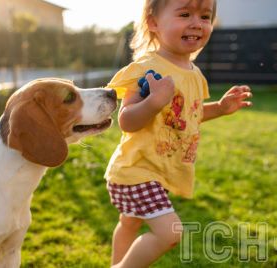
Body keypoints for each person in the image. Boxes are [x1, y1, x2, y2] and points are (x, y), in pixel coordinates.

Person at [104, 0, 253, 267]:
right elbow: (126, 120)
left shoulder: (195, 75)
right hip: (136, 170)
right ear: (153, 23)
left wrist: (219, 108)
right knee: (170, 233)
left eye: (205, 16)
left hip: (158, 171)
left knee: (129, 223)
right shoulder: (147, 69)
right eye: (185, 14)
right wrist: (153, 102)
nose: (197, 23)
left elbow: (190, 116)